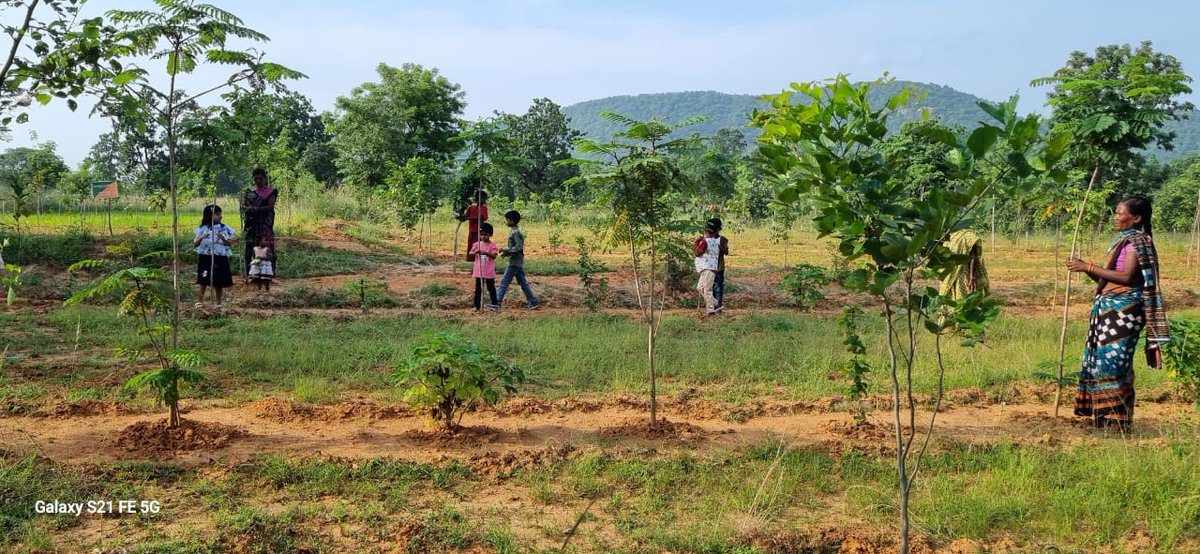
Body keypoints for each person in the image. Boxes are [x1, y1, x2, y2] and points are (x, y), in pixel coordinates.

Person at [1065, 197, 1169, 431]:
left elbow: (1127, 278)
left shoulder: (1137, 242)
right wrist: (1085, 268)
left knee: (1115, 364)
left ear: (1136, 218)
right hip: (1110, 308)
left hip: (1126, 310)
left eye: (1119, 213)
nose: (1115, 217)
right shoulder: (1123, 241)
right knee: (1103, 363)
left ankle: (1117, 424)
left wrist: (1088, 267)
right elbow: (1108, 280)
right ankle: (1104, 421)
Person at [487, 210, 540, 311]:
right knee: (523, 282)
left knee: (504, 282)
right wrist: (507, 252)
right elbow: (516, 247)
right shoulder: (514, 231)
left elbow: (518, 247)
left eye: (507, 220)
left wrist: (505, 250)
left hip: (515, 262)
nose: (506, 222)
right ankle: (533, 301)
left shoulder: (516, 232)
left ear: (512, 221)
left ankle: (497, 302)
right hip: (516, 261)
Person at [193, 204, 235, 308]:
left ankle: (218, 302)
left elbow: (229, 243)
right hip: (206, 256)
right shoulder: (203, 229)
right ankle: (200, 300)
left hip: (219, 256)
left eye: (220, 214)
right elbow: (195, 244)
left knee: (219, 281)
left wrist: (223, 238)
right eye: (217, 214)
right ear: (209, 215)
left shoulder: (224, 228)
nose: (220, 216)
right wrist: (201, 237)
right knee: (203, 279)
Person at [241, 167, 278, 279]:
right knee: (250, 247)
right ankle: (250, 273)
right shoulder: (249, 192)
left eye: (260, 179)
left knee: (266, 246)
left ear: (264, 178)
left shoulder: (271, 191)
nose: (258, 181)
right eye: (255, 179)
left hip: (264, 223)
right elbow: (244, 205)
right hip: (251, 223)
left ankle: (268, 273)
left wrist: (256, 209)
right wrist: (245, 208)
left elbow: (270, 206)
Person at [939, 228, 989, 301]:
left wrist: (971, 277)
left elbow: (973, 256)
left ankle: (960, 312)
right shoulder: (947, 233)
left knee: (961, 297)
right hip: (947, 272)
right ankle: (948, 312)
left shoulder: (968, 235)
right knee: (946, 297)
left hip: (962, 271)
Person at [693, 218, 722, 316]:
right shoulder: (715, 241)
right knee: (700, 288)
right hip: (711, 267)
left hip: (707, 268)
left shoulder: (704, 242)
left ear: (706, 231)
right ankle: (715, 302)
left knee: (707, 289)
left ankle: (711, 310)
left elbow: (697, 253)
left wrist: (696, 242)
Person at [469, 222, 499, 311]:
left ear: (490, 235)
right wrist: (475, 251)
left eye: (485, 235)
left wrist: (485, 252)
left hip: (488, 271)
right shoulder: (476, 244)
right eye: (481, 235)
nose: (483, 237)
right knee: (478, 289)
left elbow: (494, 256)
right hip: (479, 271)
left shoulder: (492, 245)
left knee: (491, 288)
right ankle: (476, 306)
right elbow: (470, 253)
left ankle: (494, 305)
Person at [459, 190, 489, 261]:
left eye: (485, 199)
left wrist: (468, 218)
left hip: (480, 231)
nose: (484, 200)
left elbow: (481, 217)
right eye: (483, 198)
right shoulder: (471, 207)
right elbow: (465, 217)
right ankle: (472, 260)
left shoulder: (484, 208)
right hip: (472, 230)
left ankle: (480, 260)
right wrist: (461, 217)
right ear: (478, 198)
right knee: (472, 246)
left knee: (480, 246)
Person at [709, 218, 730, 309]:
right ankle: (712, 306)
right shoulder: (706, 239)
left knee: (717, 288)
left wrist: (720, 247)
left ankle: (717, 306)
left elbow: (726, 252)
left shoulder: (722, 239)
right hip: (709, 268)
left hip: (718, 268)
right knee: (710, 288)